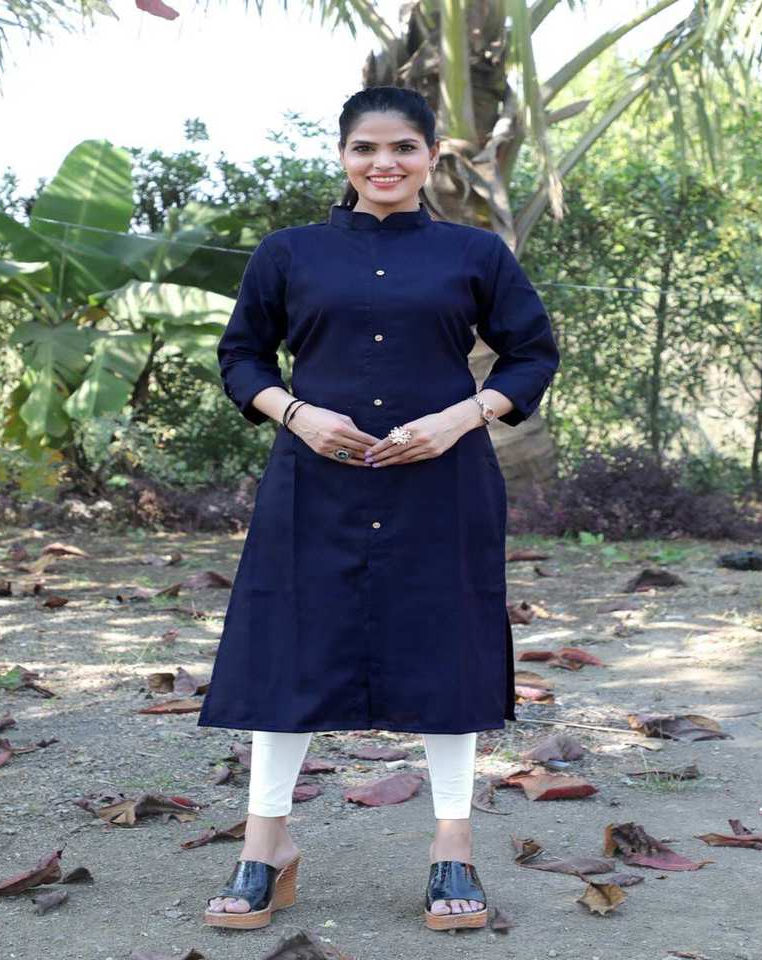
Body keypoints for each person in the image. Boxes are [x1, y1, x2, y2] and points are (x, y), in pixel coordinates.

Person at [199, 84, 560, 932]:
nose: (384, 162)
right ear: (343, 156)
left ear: (432, 156)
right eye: (365, 147)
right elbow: (242, 356)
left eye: (403, 147)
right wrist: (296, 413)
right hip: (313, 483)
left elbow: (531, 355)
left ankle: (452, 846)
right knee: (288, 651)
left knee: (448, 653)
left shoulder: (476, 254)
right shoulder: (288, 253)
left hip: (444, 485)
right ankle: (265, 845)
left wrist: (458, 418)